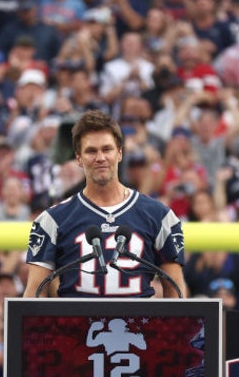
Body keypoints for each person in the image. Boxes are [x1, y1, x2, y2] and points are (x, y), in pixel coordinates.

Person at [23, 109, 186, 299]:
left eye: (107, 149)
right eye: (91, 151)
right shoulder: (52, 220)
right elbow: (35, 295)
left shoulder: (159, 216)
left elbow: (176, 293)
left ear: (120, 153)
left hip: (139, 327)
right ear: (78, 158)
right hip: (76, 327)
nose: (100, 158)